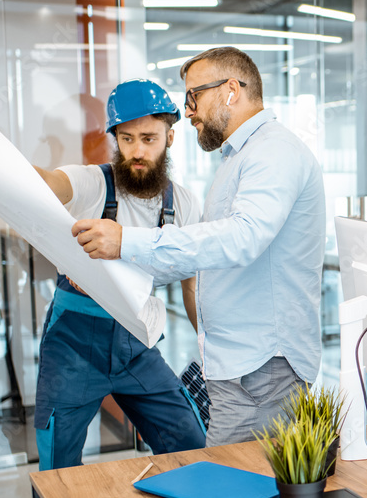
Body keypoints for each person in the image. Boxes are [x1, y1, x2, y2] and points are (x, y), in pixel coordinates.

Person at [70, 47, 325, 447]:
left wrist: (126, 241)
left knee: (239, 492)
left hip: (262, 368)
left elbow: (242, 238)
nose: (187, 111)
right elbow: (209, 260)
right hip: (242, 367)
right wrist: (108, 267)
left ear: (230, 91)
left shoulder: (273, 152)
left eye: (193, 96)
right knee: (241, 490)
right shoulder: (238, 159)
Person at [32, 78, 207, 498]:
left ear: (170, 137)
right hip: (73, 344)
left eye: (148, 138)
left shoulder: (185, 204)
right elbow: (43, 184)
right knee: (60, 466)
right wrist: (13, 174)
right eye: (126, 139)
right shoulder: (92, 183)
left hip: (136, 345)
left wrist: (207, 345)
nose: (136, 150)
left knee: (190, 443)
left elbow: (190, 282)